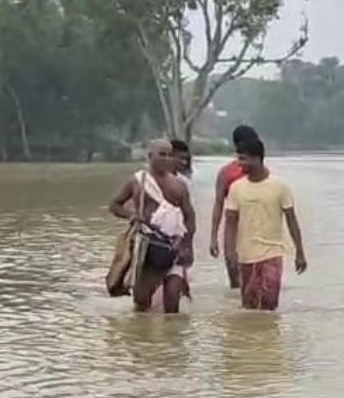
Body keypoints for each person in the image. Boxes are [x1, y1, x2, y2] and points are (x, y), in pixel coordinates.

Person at [109, 139, 195, 313]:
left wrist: (188, 245)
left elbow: (189, 215)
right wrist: (132, 215)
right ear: (150, 156)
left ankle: (172, 337)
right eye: (162, 154)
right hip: (147, 247)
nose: (167, 159)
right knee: (142, 300)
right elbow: (115, 205)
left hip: (174, 246)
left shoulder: (180, 185)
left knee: (172, 299)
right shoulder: (137, 181)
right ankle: (141, 338)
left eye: (170, 155)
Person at [223, 137, 307, 311]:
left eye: (243, 159)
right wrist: (229, 251)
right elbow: (230, 222)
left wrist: (300, 252)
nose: (239, 164)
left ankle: (269, 336)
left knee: (269, 303)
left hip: (272, 253)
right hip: (246, 255)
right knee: (249, 307)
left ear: (257, 158)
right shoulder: (236, 188)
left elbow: (291, 220)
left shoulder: (279, 187)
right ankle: (252, 338)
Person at [210, 125, 259, 288]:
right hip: (233, 228)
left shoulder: (263, 173)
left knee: (255, 274)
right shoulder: (226, 173)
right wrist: (213, 238)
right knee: (233, 272)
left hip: (257, 227)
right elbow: (218, 204)